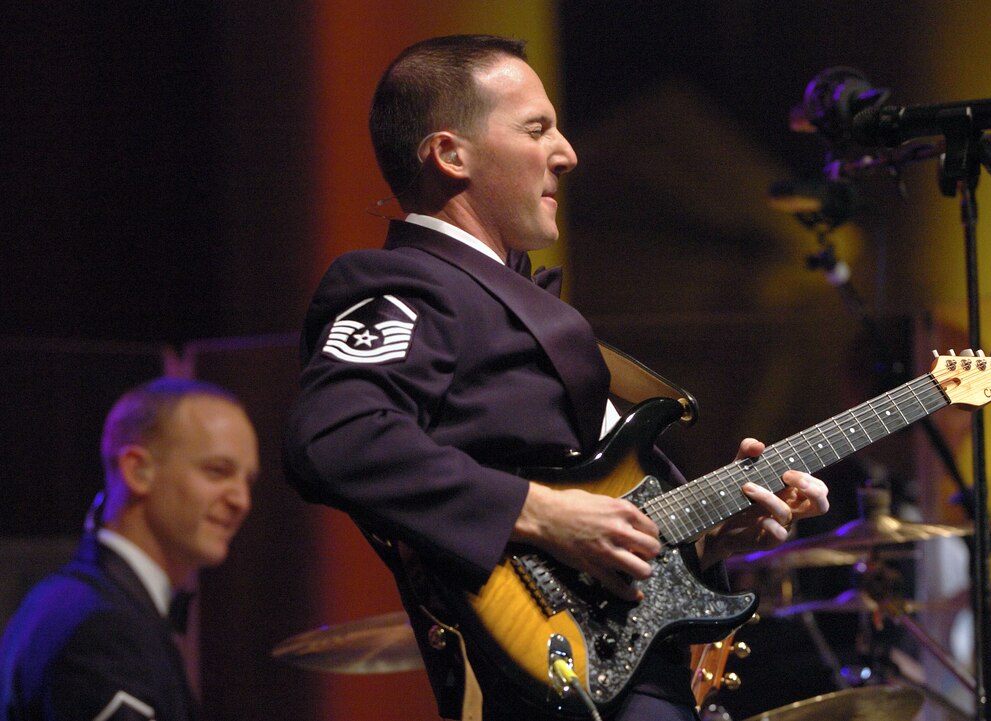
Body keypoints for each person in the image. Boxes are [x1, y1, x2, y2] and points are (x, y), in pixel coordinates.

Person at [282, 34, 829, 721]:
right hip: (547, 679)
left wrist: (710, 535)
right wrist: (544, 513)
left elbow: (596, 514)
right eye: (537, 128)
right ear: (451, 154)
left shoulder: (507, 299)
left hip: (624, 669)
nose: (568, 153)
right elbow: (334, 436)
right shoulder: (402, 283)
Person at [0, 378, 258, 721]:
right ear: (138, 470)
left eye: (247, 480)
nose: (241, 500)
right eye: (217, 471)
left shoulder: (97, 604)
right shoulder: (100, 628)